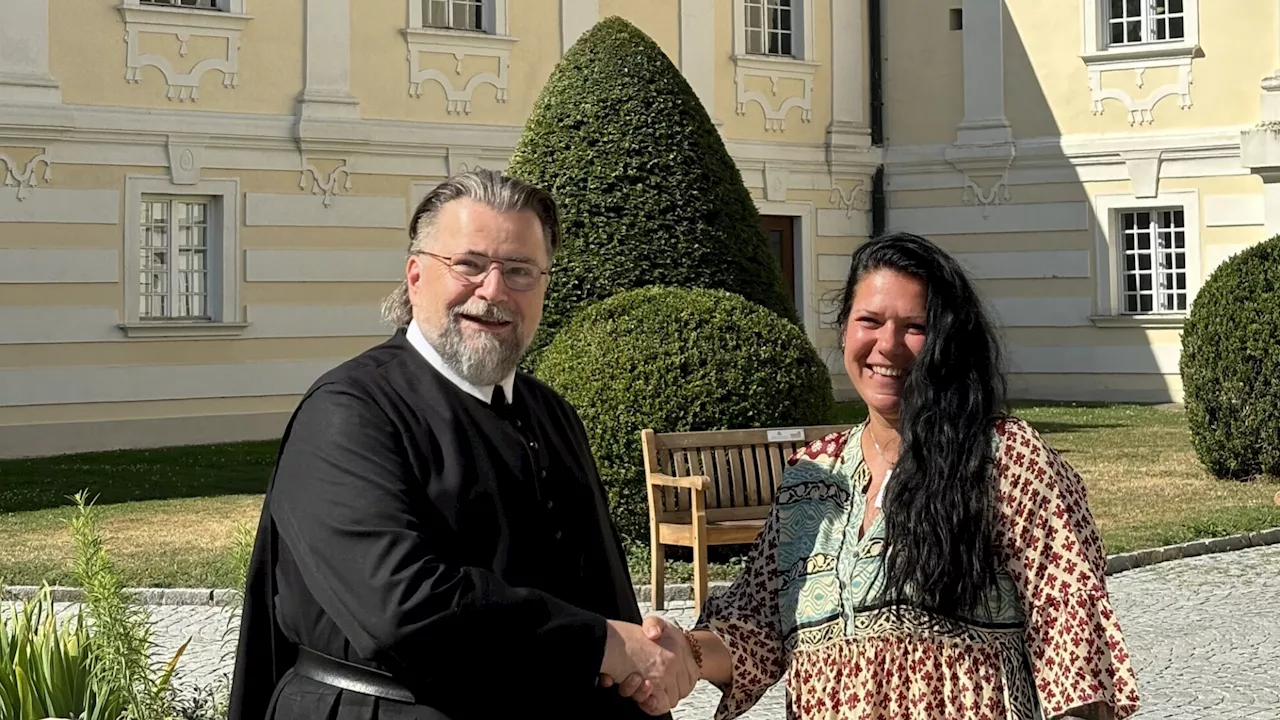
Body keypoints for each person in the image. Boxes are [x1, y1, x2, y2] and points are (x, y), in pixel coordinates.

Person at [227, 169, 696, 720]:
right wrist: (603, 644)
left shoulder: (552, 414)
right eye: (469, 264)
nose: (493, 291)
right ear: (415, 275)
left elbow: (605, 592)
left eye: (519, 271)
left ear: (544, 287)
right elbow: (402, 605)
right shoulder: (348, 412)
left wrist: (643, 676)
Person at [619, 232, 1142, 719]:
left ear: (946, 341)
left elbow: (1070, 634)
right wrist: (681, 652)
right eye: (870, 321)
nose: (888, 346)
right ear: (844, 326)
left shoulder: (1005, 458)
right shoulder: (810, 475)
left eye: (915, 328)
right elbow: (756, 627)